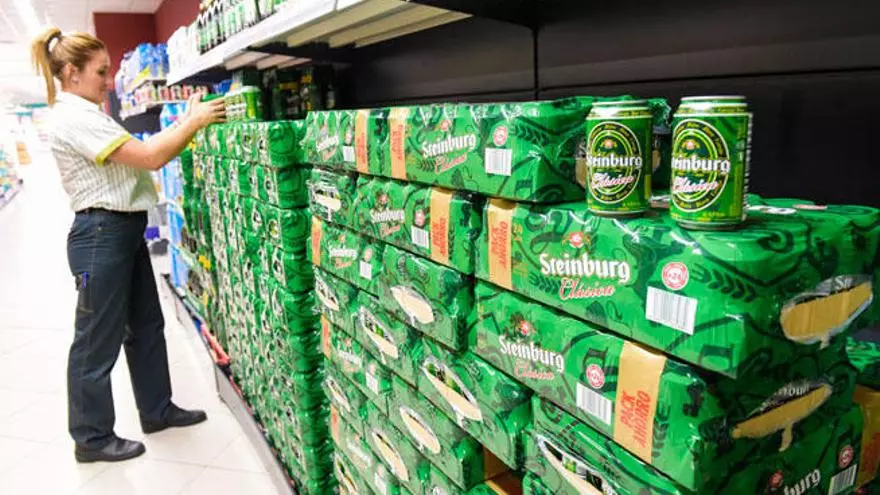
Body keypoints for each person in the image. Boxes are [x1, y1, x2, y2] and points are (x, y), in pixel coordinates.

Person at [30, 27, 226, 463]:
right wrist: (193, 122)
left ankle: (157, 409)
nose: (109, 82)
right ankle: (91, 438)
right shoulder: (73, 117)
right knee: (95, 341)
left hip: (122, 229)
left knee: (145, 325)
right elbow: (150, 157)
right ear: (71, 72)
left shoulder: (89, 112)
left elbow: (141, 152)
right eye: (100, 72)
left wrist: (185, 121)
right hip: (100, 235)